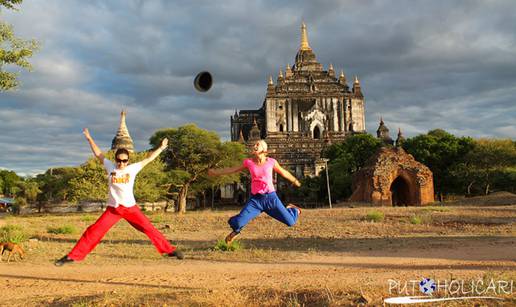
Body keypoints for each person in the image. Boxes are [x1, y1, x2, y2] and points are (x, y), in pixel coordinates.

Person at [55, 128, 183, 266]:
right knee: (93, 231)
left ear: (128, 160)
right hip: (113, 209)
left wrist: (162, 148)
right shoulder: (110, 167)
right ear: (115, 159)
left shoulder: (132, 168)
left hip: (130, 208)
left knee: (149, 229)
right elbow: (98, 153)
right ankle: (72, 257)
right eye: (119, 160)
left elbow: (149, 158)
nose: (121, 163)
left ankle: (169, 251)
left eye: (124, 161)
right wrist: (89, 138)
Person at [208, 139, 302, 244]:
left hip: (271, 199)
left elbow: (284, 172)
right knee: (237, 222)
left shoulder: (271, 162)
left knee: (291, 222)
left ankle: (294, 209)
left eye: (258, 144)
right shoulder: (249, 162)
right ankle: (236, 232)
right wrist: (215, 172)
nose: (255, 146)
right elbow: (232, 169)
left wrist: (295, 180)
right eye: (254, 144)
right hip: (255, 201)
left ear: (264, 150)